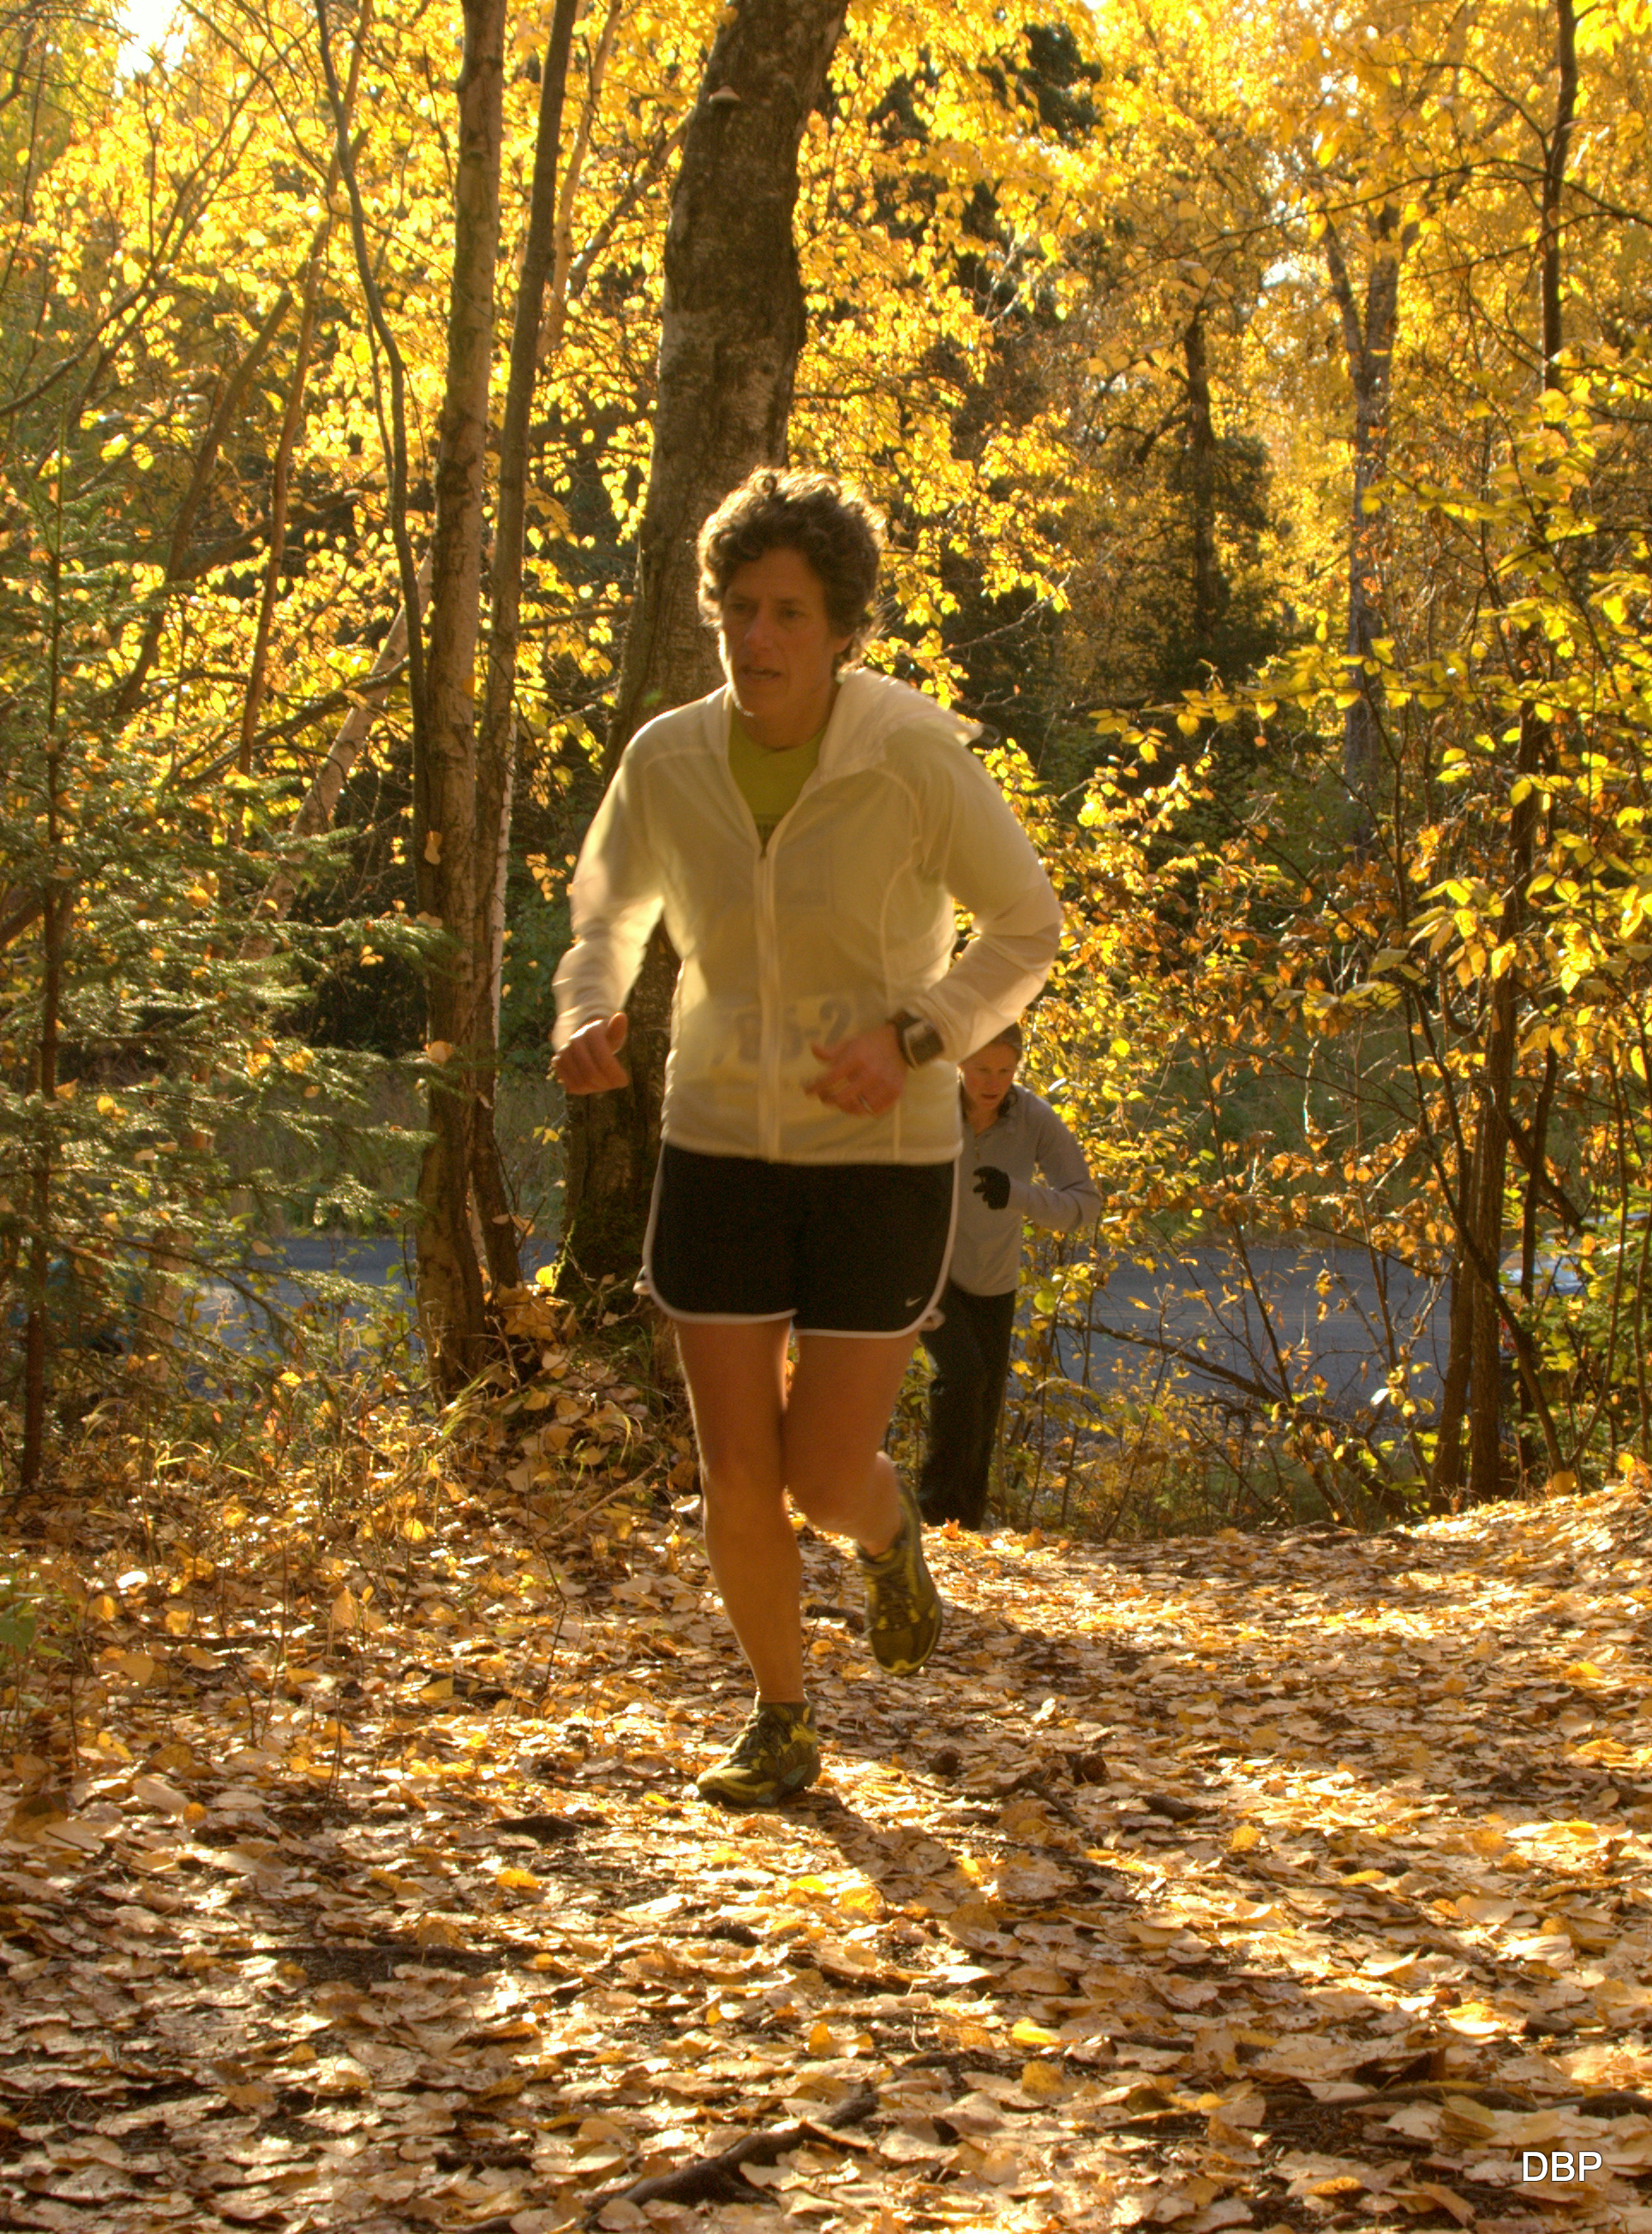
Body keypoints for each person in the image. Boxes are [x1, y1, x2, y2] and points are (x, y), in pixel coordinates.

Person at [552, 467, 1062, 1808]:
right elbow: (604, 911)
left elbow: (1026, 926)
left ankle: (889, 1541)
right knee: (735, 1460)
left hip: (882, 1156)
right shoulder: (667, 757)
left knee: (825, 1468)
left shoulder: (910, 753)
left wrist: (917, 1034)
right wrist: (590, 1007)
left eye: (786, 612)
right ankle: (782, 1712)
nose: (757, 638)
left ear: (844, 628)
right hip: (718, 1136)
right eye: (737, 610)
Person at [919, 1024, 1098, 1530]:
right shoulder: (928, 1106)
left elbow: (1085, 1205)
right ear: (958, 1063)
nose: (993, 1081)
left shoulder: (1032, 1117)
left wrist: (1018, 1194)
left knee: (985, 1400)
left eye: (1005, 1069)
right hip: (930, 1273)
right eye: (981, 1068)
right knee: (963, 1375)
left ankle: (966, 1524)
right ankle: (932, 1513)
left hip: (994, 1281)